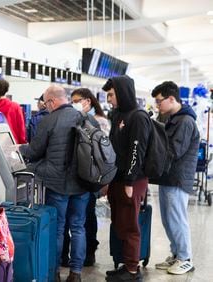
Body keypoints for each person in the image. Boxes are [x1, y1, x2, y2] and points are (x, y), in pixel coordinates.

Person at [19, 85, 93, 282]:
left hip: (57, 182)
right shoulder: (86, 117)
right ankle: (76, 273)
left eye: (46, 102)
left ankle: (55, 272)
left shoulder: (49, 120)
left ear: (51, 101)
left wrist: (18, 149)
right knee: (78, 227)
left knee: (58, 228)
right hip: (83, 182)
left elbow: (34, 152)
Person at [102, 75, 151, 281]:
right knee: (120, 223)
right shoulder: (118, 114)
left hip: (132, 180)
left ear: (122, 92)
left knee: (130, 225)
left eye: (111, 94)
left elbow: (136, 151)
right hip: (117, 178)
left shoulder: (137, 117)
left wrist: (130, 181)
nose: (109, 99)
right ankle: (125, 263)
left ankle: (132, 270)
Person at [151, 81, 198, 275]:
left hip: (178, 178)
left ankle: (185, 258)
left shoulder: (185, 121)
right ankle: (176, 254)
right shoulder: (173, 118)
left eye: (159, 101)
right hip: (168, 177)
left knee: (177, 219)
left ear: (171, 99)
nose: (157, 105)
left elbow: (173, 150)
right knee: (168, 220)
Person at [61, 88, 109, 267]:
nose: (73, 103)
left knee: (86, 217)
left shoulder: (98, 121)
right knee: (80, 219)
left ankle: (89, 252)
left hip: (90, 177)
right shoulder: (75, 119)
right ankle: (77, 257)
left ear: (87, 101)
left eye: (77, 100)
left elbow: (102, 154)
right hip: (80, 176)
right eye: (71, 100)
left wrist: (103, 181)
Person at [0, 79, 27, 144]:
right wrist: (22, 144)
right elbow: (21, 128)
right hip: (12, 144)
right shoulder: (15, 106)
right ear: (6, 90)